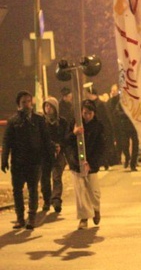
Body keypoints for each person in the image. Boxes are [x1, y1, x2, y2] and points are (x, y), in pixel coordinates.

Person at [2, 91, 53, 229]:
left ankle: (31, 217)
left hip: (35, 161)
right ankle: (20, 218)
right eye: (23, 102)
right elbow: (7, 142)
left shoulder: (38, 119)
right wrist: (4, 159)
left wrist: (49, 157)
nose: (26, 104)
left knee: (33, 190)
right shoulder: (13, 121)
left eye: (28, 101)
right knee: (17, 190)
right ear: (19, 104)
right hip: (18, 162)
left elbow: (46, 139)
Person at [64, 100, 106, 230]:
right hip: (76, 162)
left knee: (93, 190)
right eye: (85, 113)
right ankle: (84, 218)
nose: (87, 116)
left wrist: (92, 164)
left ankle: (95, 209)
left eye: (90, 113)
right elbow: (66, 141)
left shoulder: (98, 126)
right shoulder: (75, 123)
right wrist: (74, 133)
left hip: (91, 163)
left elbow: (101, 147)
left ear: (94, 113)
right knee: (80, 191)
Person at [41, 97, 69, 213]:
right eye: (46, 106)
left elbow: (66, 136)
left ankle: (56, 200)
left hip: (59, 152)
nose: (48, 109)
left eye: (50, 106)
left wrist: (60, 146)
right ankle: (47, 200)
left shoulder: (62, 122)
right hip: (45, 153)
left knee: (56, 176)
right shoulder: (41, 122)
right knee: (45, 178)